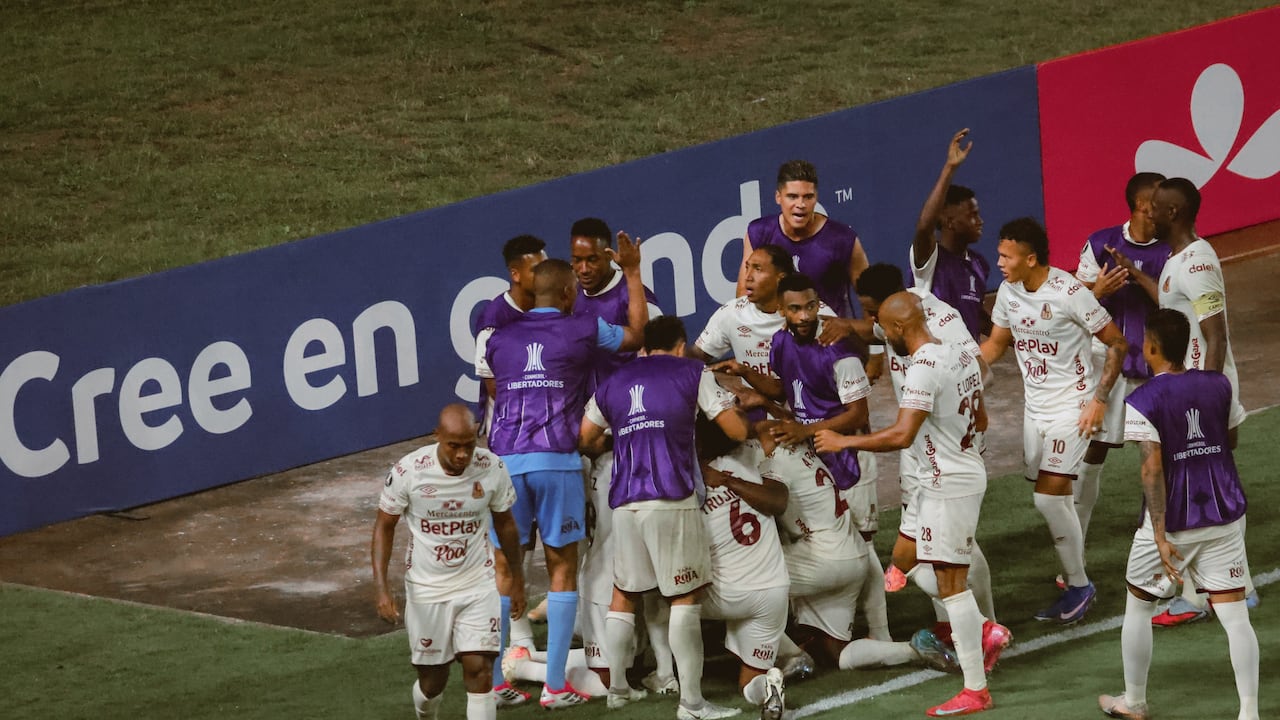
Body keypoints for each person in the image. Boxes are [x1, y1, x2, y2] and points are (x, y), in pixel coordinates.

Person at [815, 291, 1003, 717]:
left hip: (947, 484)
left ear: (900, 328)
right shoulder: (956, 351)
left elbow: (900, 435)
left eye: (884, 327)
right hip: (944, 475)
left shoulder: (922, 370)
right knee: (905, 561)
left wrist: (842, 439)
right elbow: (984, 416)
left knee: (952, 587)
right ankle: (983, 629)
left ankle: (976, 686)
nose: (882, 336)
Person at [484, 237, 648, 708]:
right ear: (568, 291)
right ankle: (554, 687)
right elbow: (636, 336)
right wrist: (632, 272)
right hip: (556, 460)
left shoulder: (499, 338)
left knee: (503, 569)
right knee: (561, 568)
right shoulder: (581, 328)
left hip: (505, 465)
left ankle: (496, 683)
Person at [579, 315, 750, 720]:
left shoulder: (613, 382)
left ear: (644, 347)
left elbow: (585, 438)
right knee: (683, 597)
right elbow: (736, 430)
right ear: (679, 345)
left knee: (625, 593)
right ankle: (692, 703)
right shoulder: (692, 372)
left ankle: (619, 689)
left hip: (624, 502)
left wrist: (623, 436)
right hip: (672, 496)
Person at [1096, 309, 1258, 720]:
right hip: (1223, 513)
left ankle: (1133, 702)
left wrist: (1161, 534)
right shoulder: (1218, 384)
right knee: (1235, 615)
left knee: (1139, 603)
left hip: (1174, 524)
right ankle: (1250, 713)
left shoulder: (1143, 399)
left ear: (1150, 347)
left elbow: (1152, 468)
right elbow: (1230, 436)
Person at [716, 272, 890, 649]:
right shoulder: (780, 341)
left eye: (810, 305)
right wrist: (748, 374)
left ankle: (881, 631)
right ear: (781, 310)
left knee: (863, 544)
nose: (805, 315)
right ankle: (834, 623)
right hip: (817, 452)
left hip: (850, 457)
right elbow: (783, 387)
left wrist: (805, 430)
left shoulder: (837, 347)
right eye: (794, 308)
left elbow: (858, 413)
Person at [1109, 177, 1257, 615]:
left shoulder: (1197, 262)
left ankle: (1230, 585)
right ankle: (1203, 586)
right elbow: (1175, 306)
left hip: (1205, 390)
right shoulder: (1177, 261)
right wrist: (1136, 275)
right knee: (1195, 477)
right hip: (1193, 389)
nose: (1146, 213)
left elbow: (1216, 334)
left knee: (1212, 476)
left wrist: (1205, 397)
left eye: (1154, 207)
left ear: (1173, 213)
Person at [980, 217, 1127, 624]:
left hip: (1073, 407)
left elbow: (1117, 342)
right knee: (1057, 498)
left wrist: (1099, 400)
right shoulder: (1009, 293)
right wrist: (959, 370)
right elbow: (995, 344)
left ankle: (1080, 585)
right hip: (1035, 411)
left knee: (1047, 497)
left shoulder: (1069, 293)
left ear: (1031, 258)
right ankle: (1074, 575)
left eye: (1007, 256)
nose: (1000, 263)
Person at [854, 264, 1004, 663]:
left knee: (949, 560)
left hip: (945, 455)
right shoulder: (912, 331)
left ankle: (980, 629)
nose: (873, 325)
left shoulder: (939, 337)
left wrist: (841, 441)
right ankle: (965, 632)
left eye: (874, 316)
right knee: (927, 553)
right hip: (925, 456)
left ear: (896, 319)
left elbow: (979, 375)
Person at [567, 216, 673, 689]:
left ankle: (618, 661)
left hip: (628, 440)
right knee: (600, 544)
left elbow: (647, 347)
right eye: (577, 260)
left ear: (609, 254)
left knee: (621, 552)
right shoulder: (569, 301)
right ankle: (636, 654)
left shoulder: (634, 300)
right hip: (590, 439)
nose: (584, 268)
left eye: (592, 258)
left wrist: (633, 274)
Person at [371, 404, 526, 720]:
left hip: (477, 583)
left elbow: (506, 524)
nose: (462, 455)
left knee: (479, 668)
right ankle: (426, 713)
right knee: (433, 681)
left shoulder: (492, 468)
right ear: (436, 436)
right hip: (427, 590)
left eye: (468, 445)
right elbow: (384, 527)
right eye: (453, 445)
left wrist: (519, 578)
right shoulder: (408, 472)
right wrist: (382, 589)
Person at [1072, 172, 1167, 571]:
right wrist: (1099, 292)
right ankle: (1074, 550)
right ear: (1144, 204)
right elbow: (1073, 302)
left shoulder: (1175, 248)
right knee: (1092, 452)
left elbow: (1176, 301)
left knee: (1156, 456)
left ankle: (1152, 541)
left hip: (1157, 370)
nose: (1169, 207)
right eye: (1162, 200)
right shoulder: (1100, 243)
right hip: (1108, 369)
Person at [696, 415, 790, 720]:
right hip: (772, 593)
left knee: (660, 597)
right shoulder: (748, 464)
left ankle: (666, 676)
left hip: (722, 597)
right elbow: (779, 500)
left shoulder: (691, 478)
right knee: (749, 683)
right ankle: (768, 688)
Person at [737, 160, 869, 319]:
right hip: (776, 335)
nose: (801, 204)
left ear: (816, 197)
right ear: (778, 197)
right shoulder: (758, 232)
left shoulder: (843, 239)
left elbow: (870, 299)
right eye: (792, 196)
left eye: (808, 197)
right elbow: (744, 292)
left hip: (828, 337)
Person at [911, 129, 991, 342]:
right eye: (972, 215)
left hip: (969, 367)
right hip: (937, 367)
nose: (980, 221)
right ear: (949, 222)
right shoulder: (928, 258)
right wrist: (950, 168)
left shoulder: (979, 264)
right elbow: (924, 227)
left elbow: (975, 315)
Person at [473, 235, 548, 436]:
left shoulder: (551, 307)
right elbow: (496, 389)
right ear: (516, 275)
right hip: (507, 429)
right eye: (536, 271)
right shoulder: (493, 322)